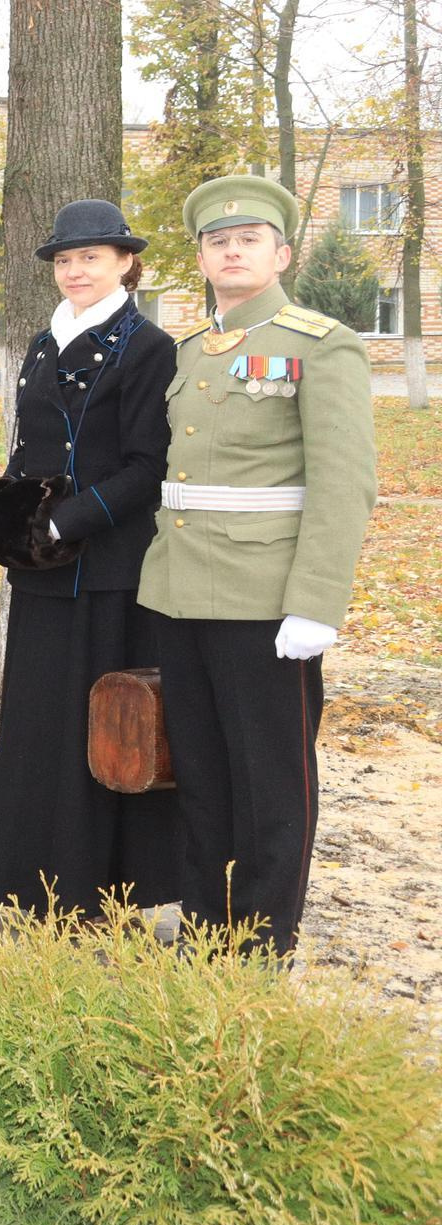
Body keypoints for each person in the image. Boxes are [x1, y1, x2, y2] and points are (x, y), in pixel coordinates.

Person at [137, 175, 376, 956]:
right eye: (216, 241)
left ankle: (267, 939)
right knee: (202, 776)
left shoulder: (319, 343)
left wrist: (316, 602)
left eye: (247, 239)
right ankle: (208, 925)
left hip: (268, 602)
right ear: (202, 257)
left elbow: (344, 483)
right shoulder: (189, 351)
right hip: (182, 593)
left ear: (280, 252)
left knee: (271, 782)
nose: (231, 250)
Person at [0, 200, 178, 917]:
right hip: (41, 568)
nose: (75, 270)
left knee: (99, 730)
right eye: (65, 259)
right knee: (35, 726)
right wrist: (17, 521)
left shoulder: (148, 346)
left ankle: (98, 891)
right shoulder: (41, 342)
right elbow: (33, 449)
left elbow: (149, 463)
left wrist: (69, 520)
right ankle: (28, 881)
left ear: (125, 262)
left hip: (109, 567)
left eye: (91, 256)